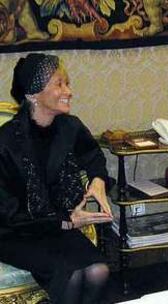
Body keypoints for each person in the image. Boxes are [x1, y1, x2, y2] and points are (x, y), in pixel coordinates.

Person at [0, 53, 113, 304]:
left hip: (57, 224)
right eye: (59, 84)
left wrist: (98, 180)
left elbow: (93, 157)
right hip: (14, 233)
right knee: (71, 276)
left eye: (67, 83)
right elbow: (9, 213)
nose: (69, 91)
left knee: (98, 271)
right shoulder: (6, 142)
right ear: (32, 94)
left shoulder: (69, 127)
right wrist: (66, 221)